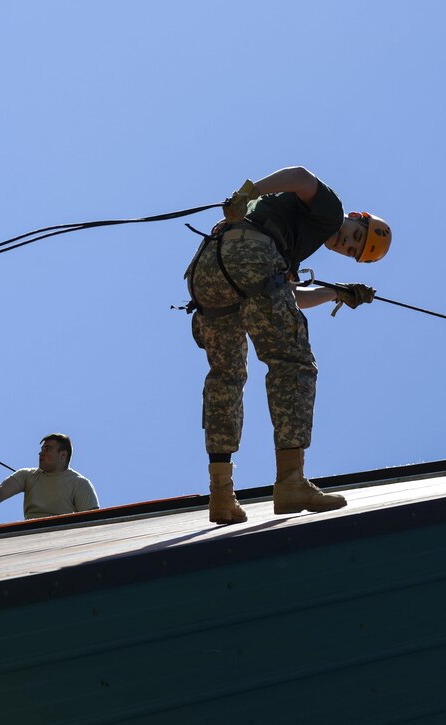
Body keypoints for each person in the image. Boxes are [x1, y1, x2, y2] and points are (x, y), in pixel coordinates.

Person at [184, 166, 391, 525]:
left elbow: (284, 295)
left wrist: (336, 293)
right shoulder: (329, 211)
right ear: (356, 218)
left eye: (353, 251)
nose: (348, 245)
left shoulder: (294, 233)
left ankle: (221, 496)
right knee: (292, 363)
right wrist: (247, 192)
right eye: (357, 236)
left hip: (208, 271)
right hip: (251, 257)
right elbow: (300, 176)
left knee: (226, 377)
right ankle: (291, 481)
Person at [0, 433, 99, 521]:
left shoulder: (79, 484)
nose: (41, 453)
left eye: (47, 449)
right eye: (41, 450)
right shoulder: (27, 475)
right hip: (30, 535)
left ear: (63, 455)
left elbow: (93, 521)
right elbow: (0, 492)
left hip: (63, 539)